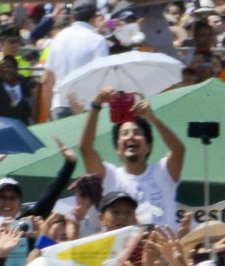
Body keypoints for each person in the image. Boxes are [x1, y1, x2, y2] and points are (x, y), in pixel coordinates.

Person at [79, 90, 186, 228]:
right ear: (117, 148)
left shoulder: (163, 171)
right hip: (123, 248)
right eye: (124, 134)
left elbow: (178, 151)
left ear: (148, 146)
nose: (130, 137)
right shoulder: (110, 176)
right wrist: (97, 103)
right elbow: (85, 148)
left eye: (137, 132)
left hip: (162, 248)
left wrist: (152, 118)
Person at [42, 0, 108, 119]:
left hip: (59, 105)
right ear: (95, 17)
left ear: (73, 17)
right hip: (87, 106)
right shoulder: (97, 40)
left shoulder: (57, 39)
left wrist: (47, 113)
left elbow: (47, 80)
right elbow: (102, 76)